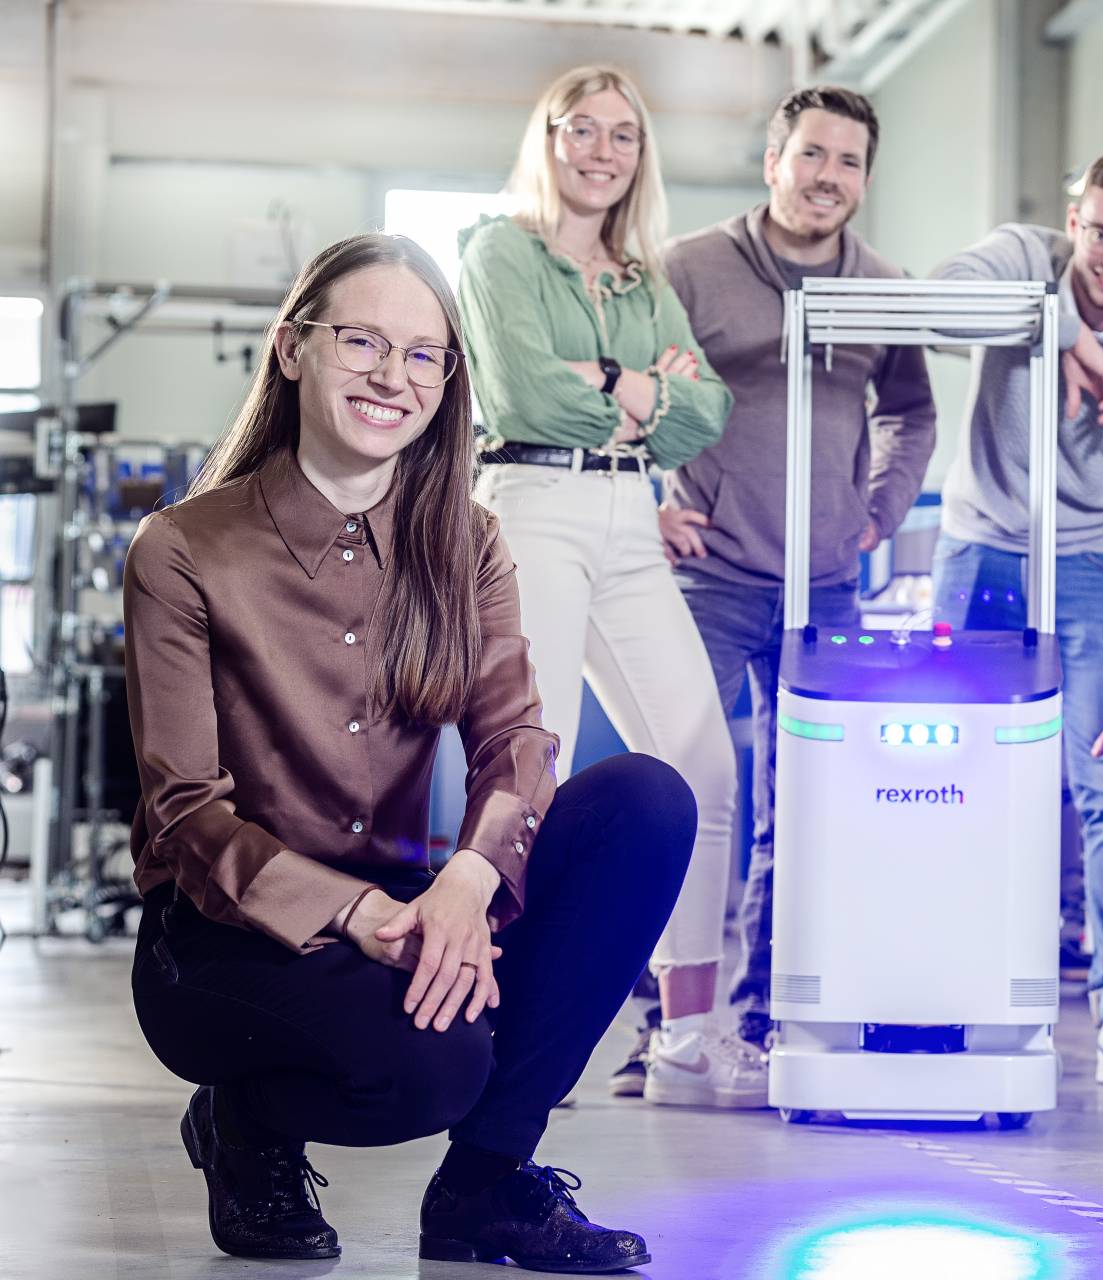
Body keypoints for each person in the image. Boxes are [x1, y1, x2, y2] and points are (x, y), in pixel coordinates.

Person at [124, 232, 694, 1271]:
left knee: (645, 804)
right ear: (293, 349)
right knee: (431, 1066)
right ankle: (243, 1122)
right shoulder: (182, 548)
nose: (394, 376)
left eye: (424, 353)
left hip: (400, 894)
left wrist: (468, 881)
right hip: (222, 936)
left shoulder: (465, 538)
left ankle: (481, 1187)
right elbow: (186, 815)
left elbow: (516, 739)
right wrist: (358, 912)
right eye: (362, 342)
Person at [456, 67, 765, 1108]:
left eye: (622, 134)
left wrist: (620, 387)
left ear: (642, 155)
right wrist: (633, 386)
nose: (600, 149)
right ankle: (494, 1004)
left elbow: (705, 412)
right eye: (578, 128)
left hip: (633, 516)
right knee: (524, 759)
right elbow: (516, 387)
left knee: (702, 760)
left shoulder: (639, 278)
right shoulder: (499, 249)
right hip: (533, 497)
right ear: (546, 139)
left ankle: (686, 1030)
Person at [658, 84, 937, 1055]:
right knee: (679, 793)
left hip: (824, 585)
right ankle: (669, 1013)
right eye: (812, 154)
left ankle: (765, 1009)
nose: (829, 177)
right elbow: (632, 389)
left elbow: (914, 414)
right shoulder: (687, 269)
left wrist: (880, 512)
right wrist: (654, 497)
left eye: (849, 161)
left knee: (806, 803)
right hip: (710, 575)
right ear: (773, 161)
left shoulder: (884, 286)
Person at [930, 150, 1103, 1090]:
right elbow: (931, 308)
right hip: (981, 546)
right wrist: (1056, 331)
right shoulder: (1022, 260)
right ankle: (949, 987)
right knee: (944, 775)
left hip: (1089, 561)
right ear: (1073, 218)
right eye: (1101, 234)